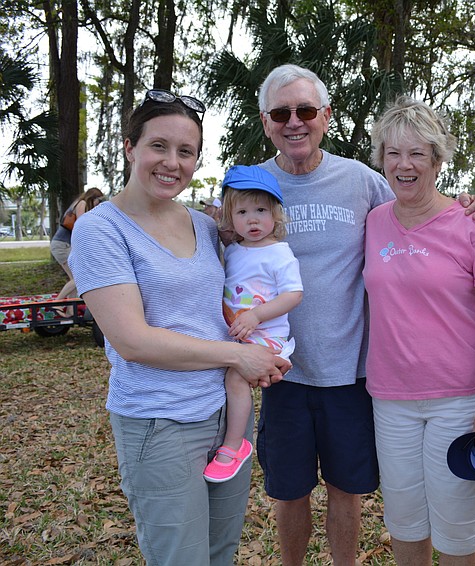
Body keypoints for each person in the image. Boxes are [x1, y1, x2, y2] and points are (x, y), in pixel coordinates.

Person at [252, 63, 475, 566]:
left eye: (306, 110)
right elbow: (222, 247)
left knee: (348, 489)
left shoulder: (362, 183)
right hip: (284, 372)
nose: (295, 121)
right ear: (266, 120)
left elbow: (422, 208)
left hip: (352, 375)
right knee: (290, 492)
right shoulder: (252, 188)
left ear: (326, 116)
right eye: (281, 112)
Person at [68, 89, 289, 565]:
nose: (172, 162)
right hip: (159, 421)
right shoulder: (101, 229)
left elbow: (242, 289)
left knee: (220, 551)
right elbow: (132, 340)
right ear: (130, 147)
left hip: (225, 415)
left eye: (186, 152)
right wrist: (237, 356)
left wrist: (264, 350)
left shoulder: (205, 226)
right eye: (158, 146)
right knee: (181, 558)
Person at [363, 96, 475, 565]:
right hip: (391, 399)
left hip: (459, 399)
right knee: (403, 522)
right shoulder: (373, 222)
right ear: (381, 159)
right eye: (393, 153)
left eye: (417, 153)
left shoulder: (471, 223)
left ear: (438, 160)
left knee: (458, 531)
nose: (404, 164)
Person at [202, 165, 303, 483]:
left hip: (266, 337)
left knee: (234, 377)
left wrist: (257, 315)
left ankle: (234, 445)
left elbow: (294, 295)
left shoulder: (279, 253)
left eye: (261, 210)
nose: (253, 219)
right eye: (242, 211)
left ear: (275, 213)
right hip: (236, 335)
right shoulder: (233, 251)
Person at [50, 187, 104, 314]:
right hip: (62, 245)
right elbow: (82, 226)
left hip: (64, 244)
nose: (98, 204)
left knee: (74, 279)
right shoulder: (82, 203)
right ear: (93, 198)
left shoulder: (80, 203)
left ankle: (70, 312)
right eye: (98, 201)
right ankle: (57, 303)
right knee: (78, 278)